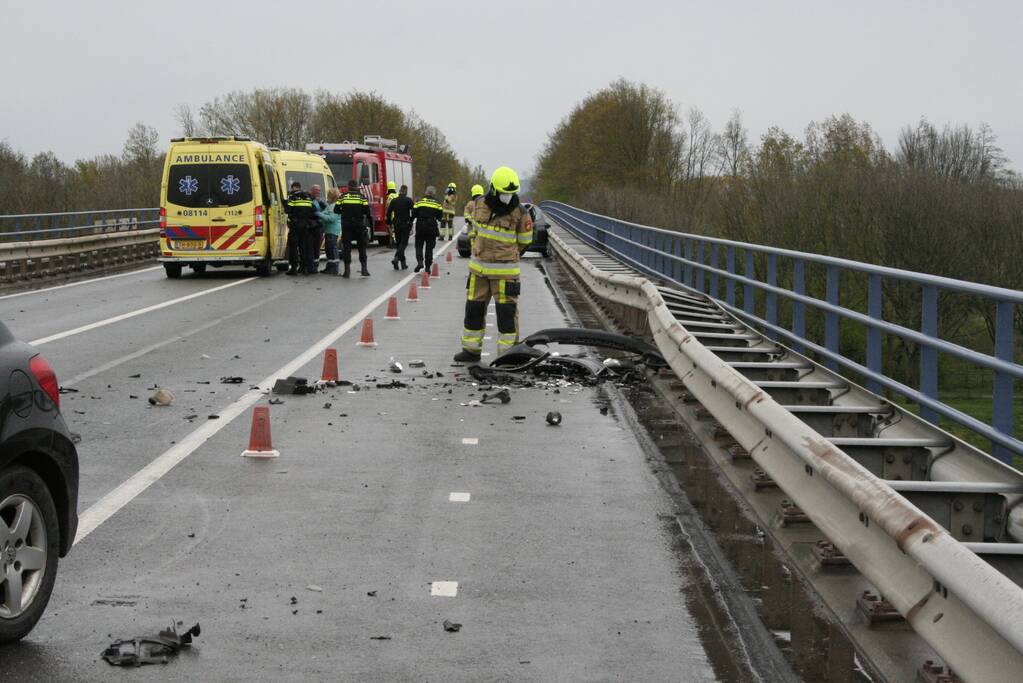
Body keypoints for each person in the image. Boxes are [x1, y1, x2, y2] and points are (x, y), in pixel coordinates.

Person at [454, 167, 532, 362]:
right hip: (478, 271)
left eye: (510, 193)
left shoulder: (520, 213)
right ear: (494, 190)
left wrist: (508, 255)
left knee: (507, 316)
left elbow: (524, 241)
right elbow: (472, 227)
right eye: (504, 193)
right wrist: (475, 245)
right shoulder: (479, 205)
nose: (507, 197)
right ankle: (471, 350)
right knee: (473, 310)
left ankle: (508, 356)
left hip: (505, 274)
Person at [335, 179, 372, 277]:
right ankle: (364, 269)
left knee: (346, 247)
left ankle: (347, 271)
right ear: (356, 186)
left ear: (348, 186)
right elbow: (367, 212)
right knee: (361, 247)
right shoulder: (362, 198)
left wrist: (344, 212)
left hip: (346, 225)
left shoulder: (342, 197)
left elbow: (336, 210)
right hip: (359, 225)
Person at [284, 181, 316, 276]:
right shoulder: (308, 197)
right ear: (300, 187)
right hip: (305, 225)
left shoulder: (292, 197)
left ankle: (294, 268)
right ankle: (304, 268)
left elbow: (288, 210)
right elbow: (313, 210)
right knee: (303, 247)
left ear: (293, 187)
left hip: (295, 225)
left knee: (293, 246)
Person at [412, 186, 443, 273]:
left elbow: (414, 213)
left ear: (426, 192)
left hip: (420, 226)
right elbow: (440, 217)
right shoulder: (437, 204)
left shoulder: (419, 202)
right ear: (434, 193)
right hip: (431, 227)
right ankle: (428, 267)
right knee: (429, 248)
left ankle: (420, 262)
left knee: (418, 245)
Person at [386, 184, 414, 270]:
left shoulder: (394, 200)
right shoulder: (409, 200)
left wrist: (388, 222)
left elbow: (389, 211)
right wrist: (411, 220)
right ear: (406, 191)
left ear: (400, 191)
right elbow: (414, 211)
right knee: (403, 243)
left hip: (396, 224)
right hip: (405, 224)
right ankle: (396, 258)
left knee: (399, 244)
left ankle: (402, 264)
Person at [318, 187, 342, 275]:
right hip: (330, 230)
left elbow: (331, 218)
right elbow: (326, 212)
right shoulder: (331, 205)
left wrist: (319, 214)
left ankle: (334, 268)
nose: (327, 197)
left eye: (328, 195)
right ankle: (330, 267)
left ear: (331, 196)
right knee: (329, 249)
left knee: (332, 249)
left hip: (332, 230)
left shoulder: (334, 206)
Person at [305, 184, 325, 274]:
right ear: (311, 190)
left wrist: (320, 202)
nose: (318, 192)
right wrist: (317, 215)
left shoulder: (319, 201)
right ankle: (310, 267)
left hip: (318, 227)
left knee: (317, 248)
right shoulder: (308, 199)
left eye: (319, 190)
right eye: (316, 190)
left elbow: (325, 209)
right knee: (310, 248)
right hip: (310, 227)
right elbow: (310, 212)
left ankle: (315, 266)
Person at [463, 183, 484, 248]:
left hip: (472, 227)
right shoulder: (484, 203)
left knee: (472, 237)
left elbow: (466, 213)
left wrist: (468, 219)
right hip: (480, 227)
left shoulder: (470, 203)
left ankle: (473, 246)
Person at [384, 180, 398, 245]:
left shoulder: (390, 196)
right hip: (398, 215)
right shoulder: (397, 195)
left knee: (392, 229)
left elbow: (388, 206)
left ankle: (394, 241)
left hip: (392, 215)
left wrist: (386, 215)